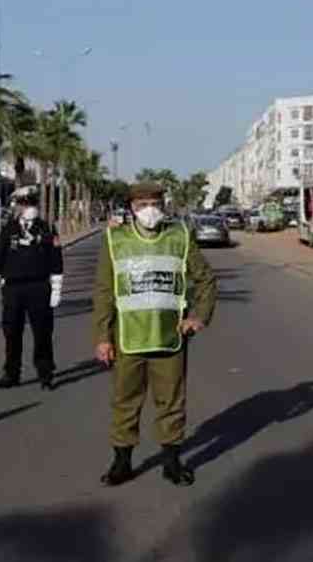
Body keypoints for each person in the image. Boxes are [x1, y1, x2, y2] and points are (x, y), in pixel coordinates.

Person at [92, 181, 218, 487]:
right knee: (125, 402)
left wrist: (198, 317)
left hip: (169, 337)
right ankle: (122, 463)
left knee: (171, 402)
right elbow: (104, 291)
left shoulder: (180, 236)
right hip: (128, 339)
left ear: (164, 204)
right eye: (141, 205)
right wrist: (102, 336)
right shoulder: (115, 239)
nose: (149, 210)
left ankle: (172, 463)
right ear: (132, 208)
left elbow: (205, 280)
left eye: (154, 203)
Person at [0, 190, 64, 390]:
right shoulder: (9, 228)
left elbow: (55, 257)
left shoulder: (46, 228)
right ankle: (11, 373)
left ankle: (45, 374)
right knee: (11, 332)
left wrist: (56, 289)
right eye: (20, 204)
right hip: (13, 288)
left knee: (43, 332)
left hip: (39, 286)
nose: (22, 207)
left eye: (26, 203)